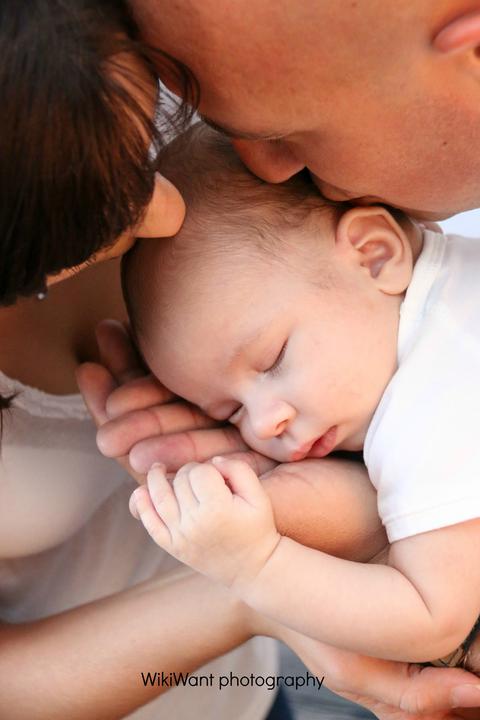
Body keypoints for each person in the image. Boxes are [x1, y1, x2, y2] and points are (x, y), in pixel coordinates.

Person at [2, 1, 480, 719]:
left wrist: (260, 562)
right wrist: (248, 588)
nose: (165, 213)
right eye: (98, 199)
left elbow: (429, 609)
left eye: (142, 144)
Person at [122, 124, 480, 676]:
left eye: (273, 361)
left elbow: (432, 617)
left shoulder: (427, 401)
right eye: (230, 412)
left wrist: (254, 564)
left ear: (375, 255)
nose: (265, 423)